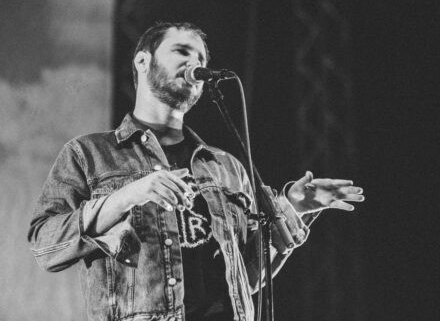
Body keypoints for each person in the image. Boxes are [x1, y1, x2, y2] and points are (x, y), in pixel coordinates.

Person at [28, 22, 364, 321]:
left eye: (201, 59)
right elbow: (45, 245)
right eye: (182, 52)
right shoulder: (89, 153)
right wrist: (127, 196)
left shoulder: (227, 167)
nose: (196, 64)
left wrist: (292, 208)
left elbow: (248, 277)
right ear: (143, 61)